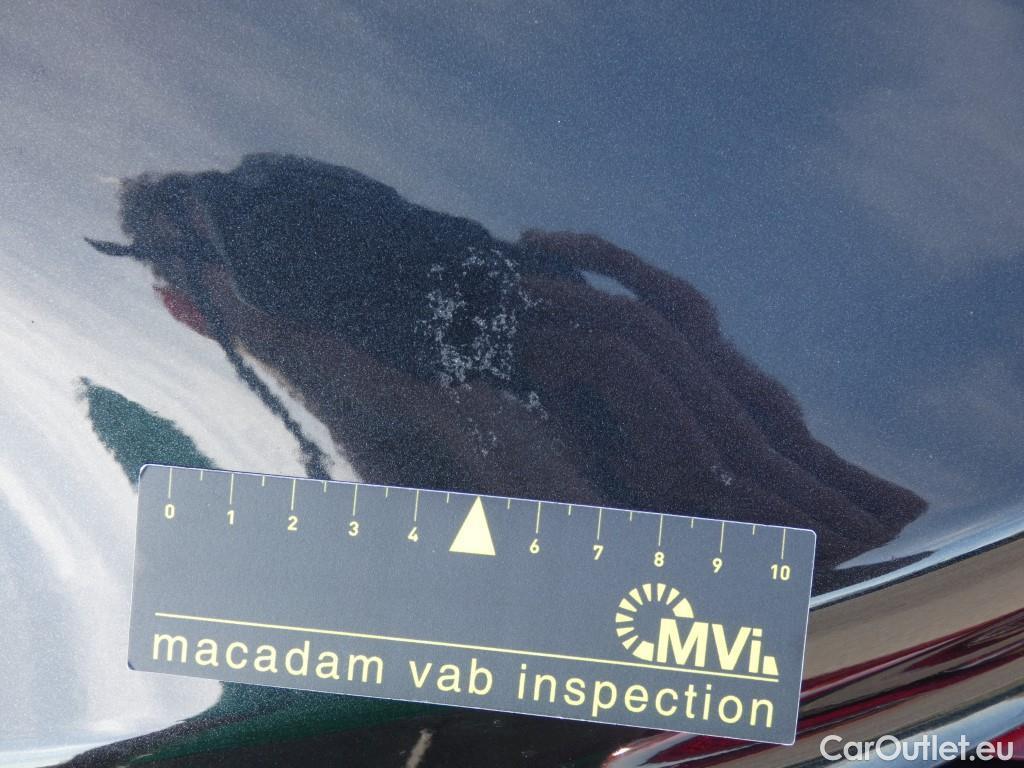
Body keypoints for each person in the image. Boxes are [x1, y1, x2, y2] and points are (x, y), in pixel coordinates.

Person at [88, 153, 925, 579]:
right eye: (239, 251)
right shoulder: (292, 518)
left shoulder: (577, 335)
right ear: (182, 308)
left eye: (289, 239)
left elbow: (838, 519)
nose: (293, 275)